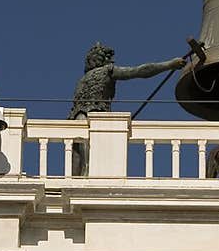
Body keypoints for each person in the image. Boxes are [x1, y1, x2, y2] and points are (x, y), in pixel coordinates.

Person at [70, 41, 187, 174]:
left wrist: (169, 65)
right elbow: (140, 70)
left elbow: (142, 70)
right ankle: (83, 175)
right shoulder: (104, 72)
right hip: (86, 117)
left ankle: (83, 174)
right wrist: (169, 65)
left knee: (80, 153)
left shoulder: (91, 76)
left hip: (83, 117)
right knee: (80, 155)